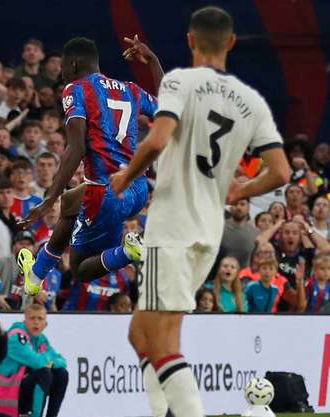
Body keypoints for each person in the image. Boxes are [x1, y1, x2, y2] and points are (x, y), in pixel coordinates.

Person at [108, 7, 290, 417]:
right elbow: (280, 171)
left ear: (190, 40)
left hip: (172, 227)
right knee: (141, 334)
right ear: (231, 42)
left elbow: (157, 140)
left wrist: (126, 176)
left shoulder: (180, 81)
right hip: (208, 232)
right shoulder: (251, 101)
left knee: (164, 341)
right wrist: (245, 187)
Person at [17, 33, 162, 298]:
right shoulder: (130, 89)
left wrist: (48, 200)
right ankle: (36, 275)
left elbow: (76, 148)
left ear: (72, 65)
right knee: (71, 201)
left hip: (105, 195)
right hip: (138, 190)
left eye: (62, 66)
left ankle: (127, 252)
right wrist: (152, 61)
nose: (61, 71)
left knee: (81, 269)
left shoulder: (76, 89)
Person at [0, 304, 68, 417]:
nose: (36, 322)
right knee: (44, 373)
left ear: (45, 324)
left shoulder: (41, 339)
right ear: (25, 321)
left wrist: (52, 362)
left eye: (40, 319)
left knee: (61, 373)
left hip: (20, 389)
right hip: (5, 393)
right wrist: (48, 358)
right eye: (32, 318)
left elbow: (62, 361)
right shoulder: (16, 337)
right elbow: (37, 362)